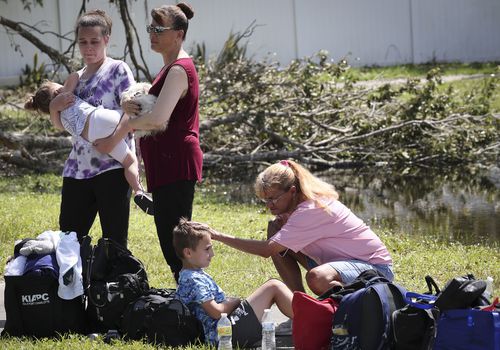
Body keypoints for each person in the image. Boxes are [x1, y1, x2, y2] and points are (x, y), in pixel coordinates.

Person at [95, 2, 203, 281]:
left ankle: (195, 303)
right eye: (150, 28)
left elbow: (158, 120)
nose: (152, 34)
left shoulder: (179, 69)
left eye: (159, 29)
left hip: (176, 162)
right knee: (172, 240)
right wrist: (135, 102)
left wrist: (126, 126)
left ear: (178, 34)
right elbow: (156, 107)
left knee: (178, 242)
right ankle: (188, 296)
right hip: (166, 164)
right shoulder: (170, 68)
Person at [201, 160, 394, 296]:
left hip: (376, 270)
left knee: (317, 278)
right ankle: (301, 306)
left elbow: (267, 250)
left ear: (292, 191)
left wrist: (216, 235)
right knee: (274, 231)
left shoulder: (311, 209)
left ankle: (346, 313)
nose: (269, 205)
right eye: (265, 200)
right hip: (342, 264)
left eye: (273, 198)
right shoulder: (295, 208)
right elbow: (274, 243)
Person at [48, 9, 136, 248]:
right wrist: (53, 108)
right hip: (77, 169)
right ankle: (73, 285)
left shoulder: (118, 70)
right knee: (69, 239)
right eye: (83, 42)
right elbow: (65, 126)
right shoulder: (74, 78)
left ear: (106, 39)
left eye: (94, 41)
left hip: (112, 166)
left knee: (114, 241)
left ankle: (114, 285)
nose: (88, 48)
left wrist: (111, 141)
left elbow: (133, 112)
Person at [25, 75, 154, 215]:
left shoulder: (57, 119)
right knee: (133, 113)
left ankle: (139, 191)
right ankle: (158, 112)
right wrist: (63, 89)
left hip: (94, 138)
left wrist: (52, 108)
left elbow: (56, 123)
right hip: (98, 118)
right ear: (56, 92)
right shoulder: (66, 95)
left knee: (129, 161)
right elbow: (74, 76)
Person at [173, 218, 293, 348]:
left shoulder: (190, 274)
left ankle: (310, 316)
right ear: (188, 252)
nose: (212, 254)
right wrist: (234, 301)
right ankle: (313, 319)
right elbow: (216, 312)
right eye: (207, 249)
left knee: (272, 286)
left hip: (226, 329)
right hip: (225, 334)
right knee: (273, 287)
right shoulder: (193, 279)